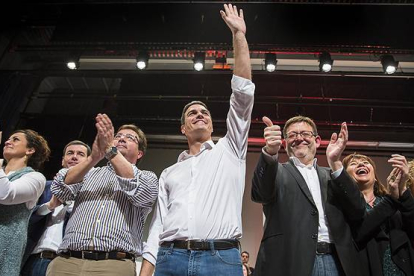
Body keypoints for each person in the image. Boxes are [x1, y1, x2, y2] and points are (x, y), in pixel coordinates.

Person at [140, 4, 255, 276]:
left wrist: (239, 36)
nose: (199, 114)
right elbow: (159, 225)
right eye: (192, 113)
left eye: (204, 112)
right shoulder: (169, 172)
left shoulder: (230, 149)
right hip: (170, 258)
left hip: (221, 258)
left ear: (212, 124)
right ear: (183, 128)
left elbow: (242, 97)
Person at [252, 115, 366, 276]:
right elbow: (259, 194)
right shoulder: (275, 171)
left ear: (317, 140)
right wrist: (270, 152)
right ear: (284, 143)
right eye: (292, 135)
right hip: (292, 262)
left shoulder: (333, 175)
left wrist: (335, 163)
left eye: (305, 134)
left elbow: (358, 209)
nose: (299, 138)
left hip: (336, 261)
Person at [47, 114, 159, 276]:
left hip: (113, 264)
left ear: (140, 153)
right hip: (66, 262)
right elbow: (60, 189)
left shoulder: (147, 177)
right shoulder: (89, 172)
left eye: (130, 138)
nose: (121, 139)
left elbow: (142, 194)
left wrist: (110, 151)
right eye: (118, 136)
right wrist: (93, 157)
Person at [21, 140, 91, 276]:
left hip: (68, 263)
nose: (74, 157)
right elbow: (24, 220)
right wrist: (49, 206)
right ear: (63, 160)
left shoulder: (90, 193)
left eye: (80, 154)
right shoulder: (44, 186)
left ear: (89, 161)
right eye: (70, 153)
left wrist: (70, 206)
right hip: (32, 259)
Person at [343, 153, 414, 276]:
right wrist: (392, 199)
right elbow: (359, 232)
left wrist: (403, 190)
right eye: (353, 164)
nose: (361, 164)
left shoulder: (392, 203)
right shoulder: (343, 207)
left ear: (375, 177)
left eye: (366, 162)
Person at [0, 129, 50, 276]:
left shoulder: (35, 178)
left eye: (15, 139)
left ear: (30, 150)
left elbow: (5, 194)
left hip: (4, 249)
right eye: (8, 139)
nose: (7, 141)